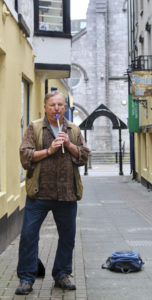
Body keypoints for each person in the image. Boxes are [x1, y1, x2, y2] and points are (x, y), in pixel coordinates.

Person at [15, 91, 89, 295]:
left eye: (60, 105)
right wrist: (49, 151)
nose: (57, 108)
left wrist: (69, 145)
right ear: (45, 107)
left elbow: (84, 157)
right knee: (29, 236)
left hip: (67, 194)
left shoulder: (73, 129)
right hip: (39, 193)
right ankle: (27, 278)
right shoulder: (35, 127)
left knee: (67, 237)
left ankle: (62, 274)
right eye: (52, 105)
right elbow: (25, 155)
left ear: (65, 107)